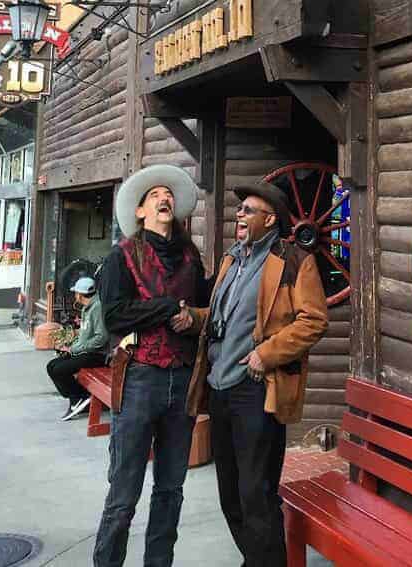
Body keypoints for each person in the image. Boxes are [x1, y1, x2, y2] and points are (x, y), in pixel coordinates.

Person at [185, 180, 329, 567]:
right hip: (219, 387)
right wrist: (192, 318)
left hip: (256, 389)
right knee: (230, 494)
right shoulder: (232, 260)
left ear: (270, 219)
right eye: (240, 211)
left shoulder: (295, 261)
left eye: (248, 210)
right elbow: (222, 318)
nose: (240, 216)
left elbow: (313, 320)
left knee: (257, 493)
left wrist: (267, 354)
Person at [93, 164, 208, 567]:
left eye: (169, 195)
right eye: (155, 195)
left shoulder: (192, 257)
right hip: (141, 378)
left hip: (182, 379)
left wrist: (190, 318)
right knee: (124, 495)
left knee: (170, 490)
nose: (165, 198)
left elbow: (205, 311)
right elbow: (113, 316)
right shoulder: (121, 256)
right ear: (140, 211)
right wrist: (165, 309)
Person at [45, 276, 109, 421]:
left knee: (60, 370)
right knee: (52, 366)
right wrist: (72, 346)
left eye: (75, 293)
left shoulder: (97, 308)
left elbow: (101, 338)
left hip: (97, 355)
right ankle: (79, 396)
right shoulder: (88, 308)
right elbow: (86, 334)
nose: (75, 296)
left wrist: (77, 349)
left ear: (80, 294)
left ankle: (78, 397)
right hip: (85, 352)